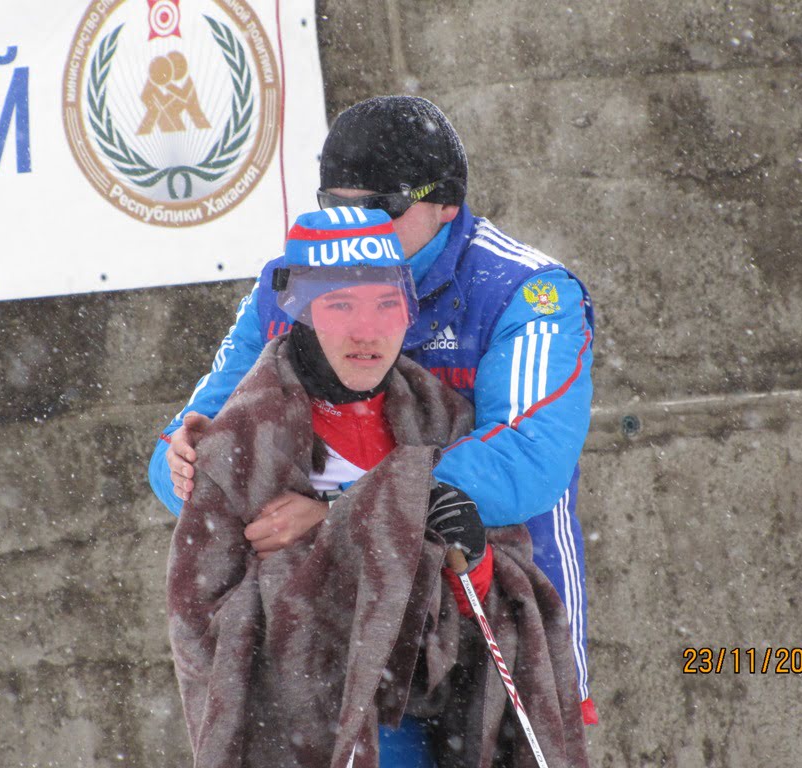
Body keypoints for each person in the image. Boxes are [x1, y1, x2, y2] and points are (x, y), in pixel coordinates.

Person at [150, 95, 597, 723]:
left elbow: (527, 464)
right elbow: (185, 454)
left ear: (447, 202)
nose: (360, 225)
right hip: (329, 646)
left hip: (490, 619)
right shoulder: (294, 280)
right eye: (338, 205)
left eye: (381, 207)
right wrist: (187, 460)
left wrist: (340, 512)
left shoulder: (525, 292)